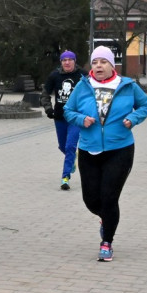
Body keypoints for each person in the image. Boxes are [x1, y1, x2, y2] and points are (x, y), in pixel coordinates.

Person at [64, 46, 147, 262]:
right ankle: (106, 219)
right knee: (91, 199)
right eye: (95, 62)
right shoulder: (83, 86)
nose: (99, 66)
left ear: (112, 65)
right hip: (88, 149)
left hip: (119, 149)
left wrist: (133, 119)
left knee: (109, 197)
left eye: (103, 62)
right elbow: (68, 110)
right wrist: (80, 120)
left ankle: (107, 243)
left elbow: (145, 105)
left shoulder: (127, 86)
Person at [40, 49, 86, 190]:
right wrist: (48, 109)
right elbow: (44, 94)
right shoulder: (54, 76)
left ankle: (65, 177)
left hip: (76, 117)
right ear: (61, 62)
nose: (67, 62)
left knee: (70, 146)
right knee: (62, 146)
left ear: (74, 61)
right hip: (60, 117)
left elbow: (92, 93)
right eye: (64, 60)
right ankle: (72, 158)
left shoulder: (82, 75)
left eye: (70, 60)